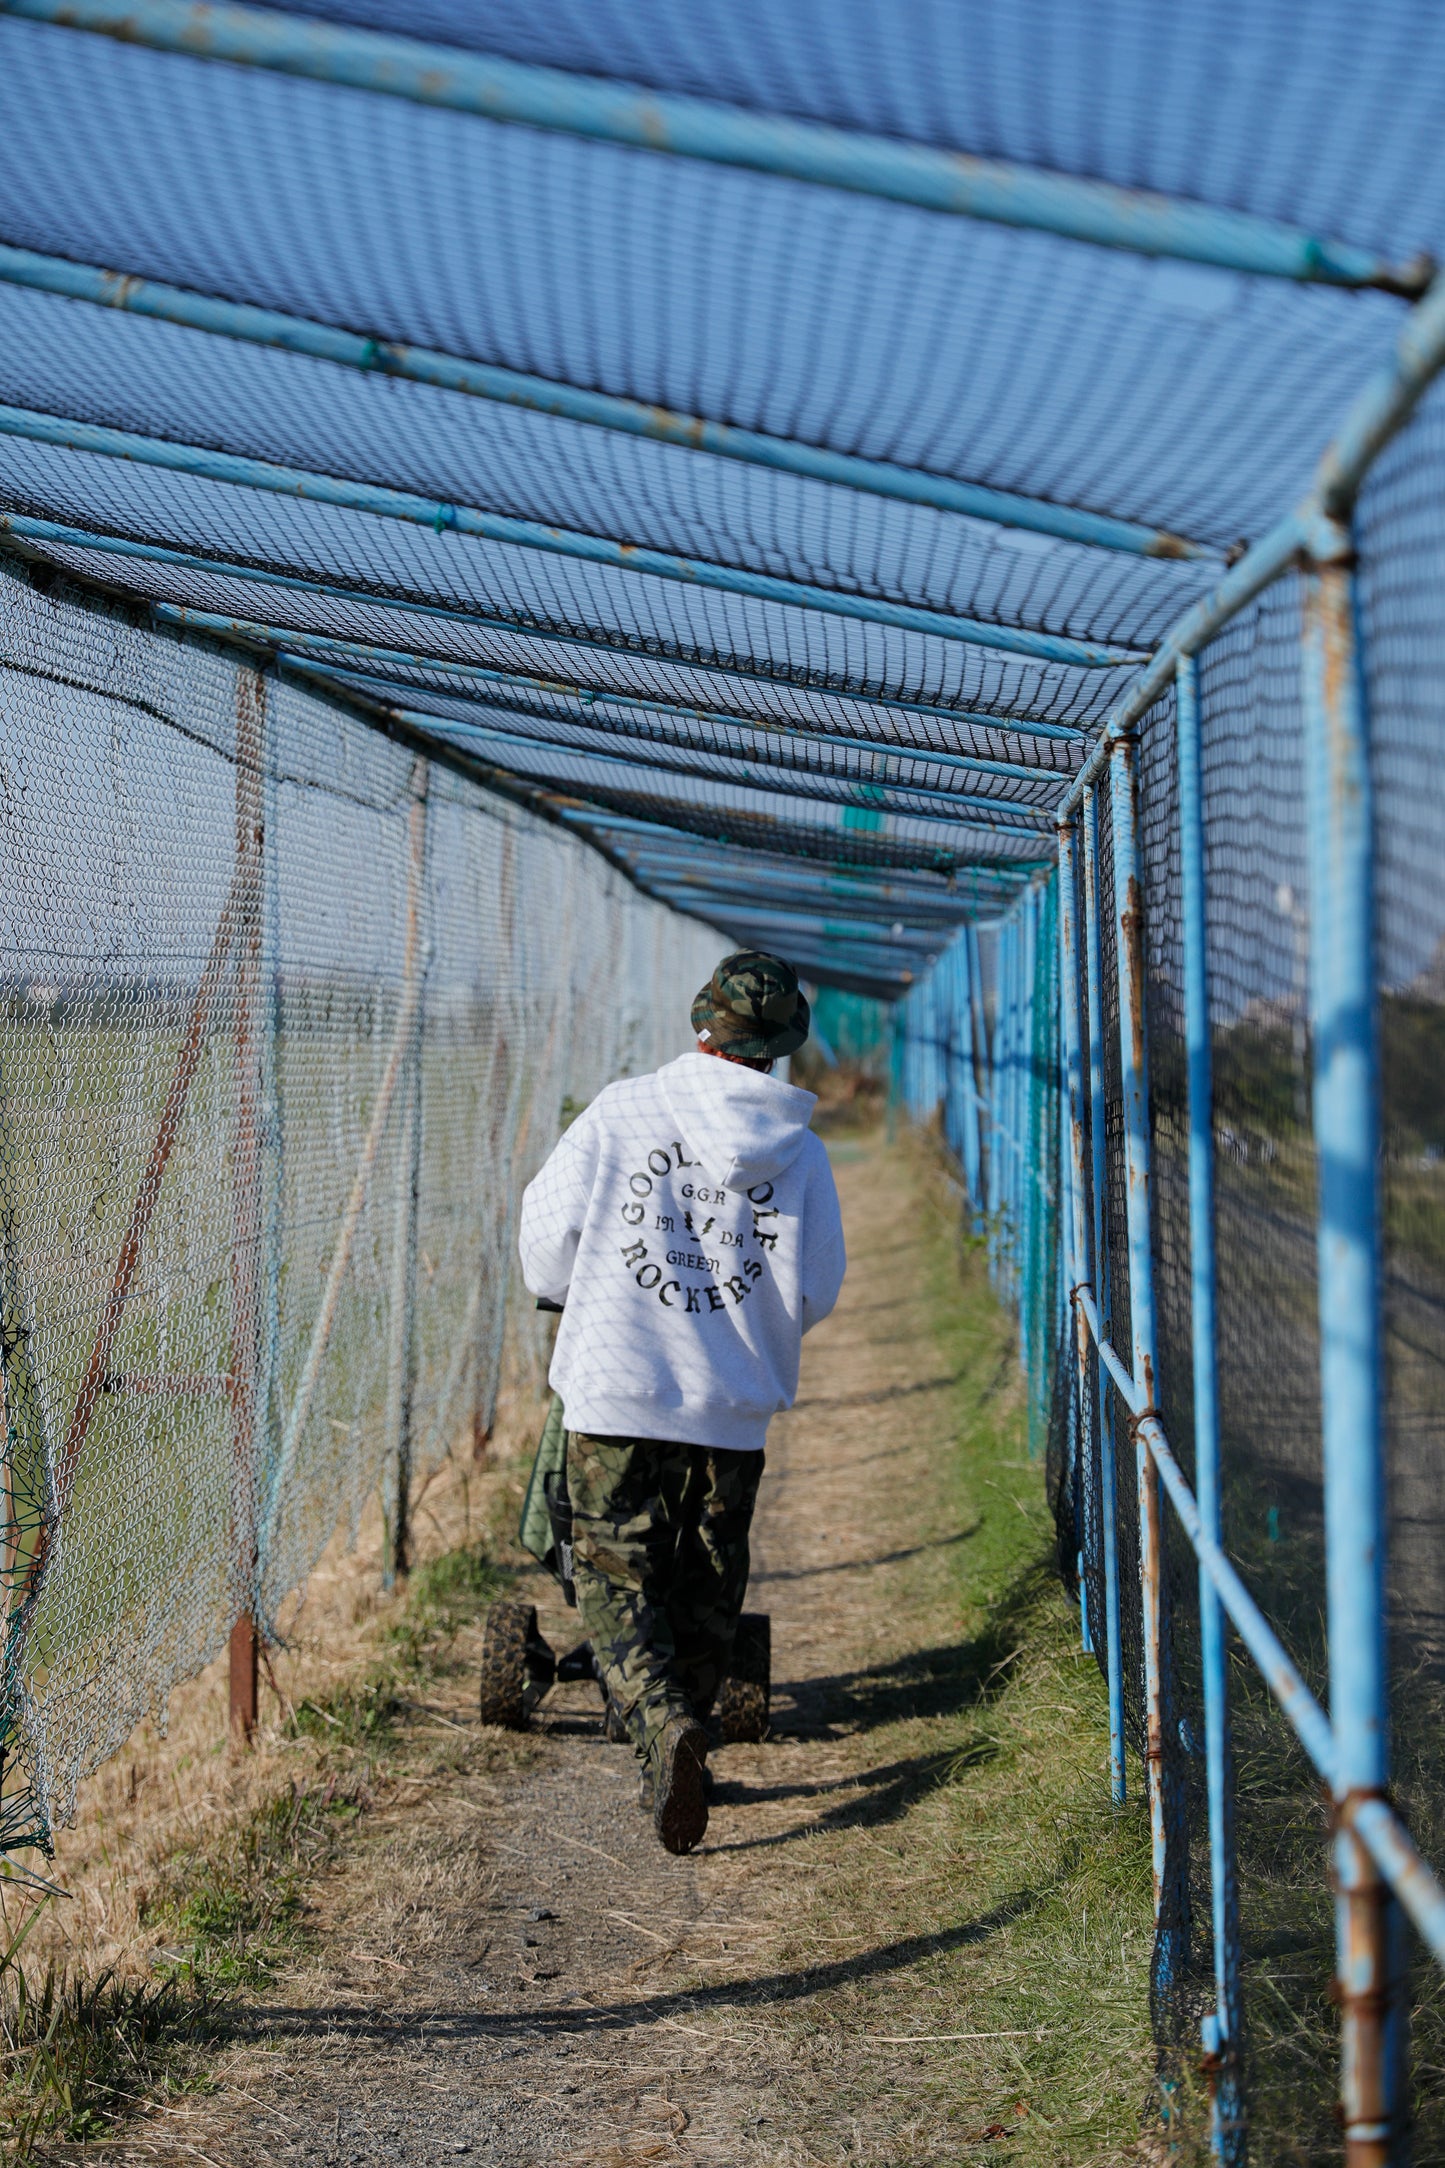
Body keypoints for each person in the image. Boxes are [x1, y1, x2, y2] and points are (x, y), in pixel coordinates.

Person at [517, 951, 846, 1853]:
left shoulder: (624, 1111)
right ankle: (688, 1730)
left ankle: (664, 1732)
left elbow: (546, 1243)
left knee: (615, 1572)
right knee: (707, 1581)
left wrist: (575, 1286)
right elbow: (815, 1289)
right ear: (782, 1048)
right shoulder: (802, 1153)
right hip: (728, 1409)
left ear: (702, 1022)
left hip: (615, 1395)